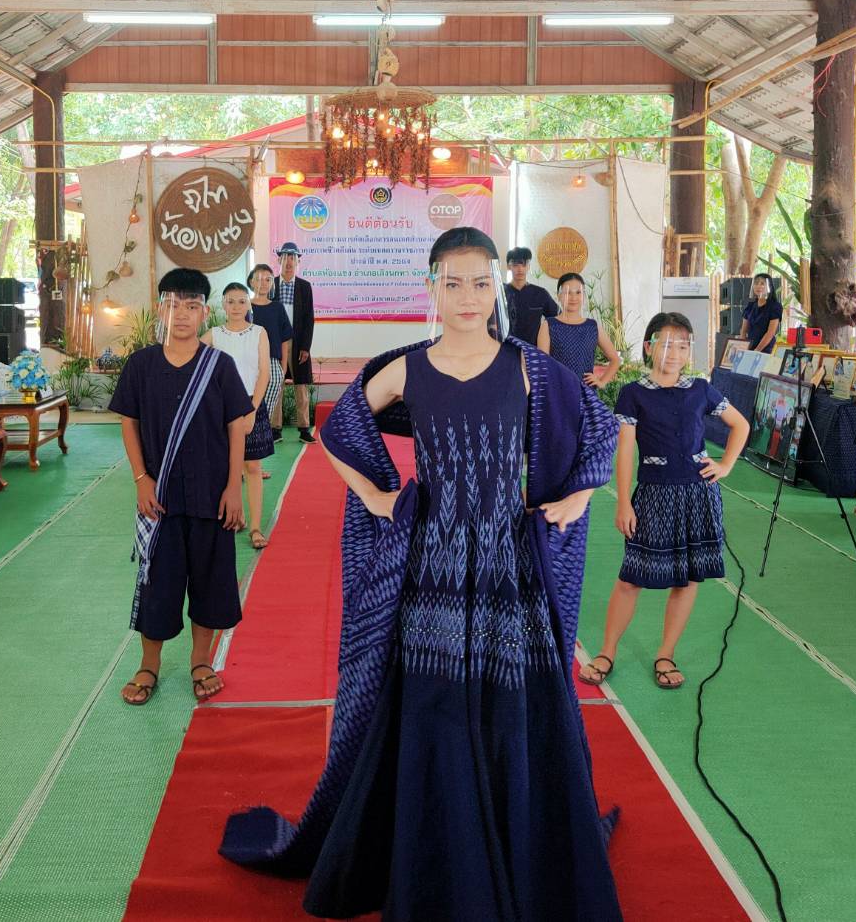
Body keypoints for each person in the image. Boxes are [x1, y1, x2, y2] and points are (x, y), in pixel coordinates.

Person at [222, 227, 623, 920]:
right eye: (452, 282)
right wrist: (377, 495)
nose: (466, 297)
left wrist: (578, 496)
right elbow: (336, 426)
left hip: (507, 565)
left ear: (495, 287)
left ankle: (515, 839)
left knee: (511, 706)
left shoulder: (526, 364)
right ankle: (436, 853)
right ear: (431, 287)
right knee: (432, 708)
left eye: (478, 282)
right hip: (430, 563)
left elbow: (598, 424)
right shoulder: (407, 368)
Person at [579, 312, 750, 693]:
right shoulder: (633, 393)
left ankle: (666, 654)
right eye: (667, 343)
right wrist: (624, 502)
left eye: (683, 344)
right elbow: (625, 453)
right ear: (649, 346)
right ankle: (607, 651)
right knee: (631, 578)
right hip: (653, 496)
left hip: (698, 496)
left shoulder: (702, 389)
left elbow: (741, 425)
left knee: (687, 579)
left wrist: (724, 465)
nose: (675, 352)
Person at [109, 268, 251, 708]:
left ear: (204, 313)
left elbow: (235, 429)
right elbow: (128, 423)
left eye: (192, 306)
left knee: (210, 584)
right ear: (160, 309)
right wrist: (140, 479)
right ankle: (148, 664)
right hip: (161, 501)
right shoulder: (142, 365)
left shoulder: (219, 366)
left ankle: (200, 660)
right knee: (157, 584)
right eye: (174, 305)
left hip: (211, 498)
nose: (183, 315)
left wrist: (233, 488)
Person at [205, 282, 273, 549]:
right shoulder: (212, 335)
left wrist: (252, 411)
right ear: (223, 305)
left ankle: (256, 528)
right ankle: (236, 516)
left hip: (250, 403)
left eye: (241, 301)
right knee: (225, 467)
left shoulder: (259, 333)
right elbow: (190, 357)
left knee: (253, 467)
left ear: (249, 304)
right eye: (230, 301)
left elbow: (264, 373)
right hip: (220, 407)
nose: (236, 307)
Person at [538, 271, 622, 388]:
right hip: (558, 392)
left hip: (586, 394)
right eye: (567, 292)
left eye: (578, 292)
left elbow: (615, 360)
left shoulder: (593, 326)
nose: (573, 298)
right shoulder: (548, 325)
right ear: (559, 295)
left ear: (583, 296)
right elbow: (543, 366)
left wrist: (601, 381)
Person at [248, 263, 292, 476]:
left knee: (261, 415)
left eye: (268, 279)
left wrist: (283, 367)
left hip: (273, 364)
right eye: (259, 278)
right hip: (249, 365)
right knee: (247, 412)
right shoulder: (246, 306)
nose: (264, 283)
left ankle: (255, 464)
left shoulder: (277, 307)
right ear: (251, 281)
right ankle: (242, 465)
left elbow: (285, 339)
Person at [275, 243, 316, 444]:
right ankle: (275, 430)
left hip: (298, 342)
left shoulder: (304, 287)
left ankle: (304, 429)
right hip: (277, 343)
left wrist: (305, 347)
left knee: (301, 387)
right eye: (285, 258)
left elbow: (309, 319)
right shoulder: (271, 285)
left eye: (292, 258)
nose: (288, 262)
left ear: (298, 262)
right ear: (279, 261)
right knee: (276, 385)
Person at [503, 245, 559, 344]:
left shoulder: (540, 294)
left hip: (532, 351)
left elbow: (557, 318)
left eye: (524, 265)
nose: (520, 269)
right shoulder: (500, 292)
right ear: (508, 266)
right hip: (504, 350)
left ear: (528, 266)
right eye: (516, 265)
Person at [738, 272, 783, 353]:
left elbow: (770, 333)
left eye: (762, 284)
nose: (758, 286)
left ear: (769, 287)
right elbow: (743, 331)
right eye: (756, 283)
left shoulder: (775, 306)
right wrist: (742, 348)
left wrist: (757, 350)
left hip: (766, 349)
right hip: (749, 348)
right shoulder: (750, 306)